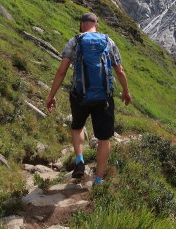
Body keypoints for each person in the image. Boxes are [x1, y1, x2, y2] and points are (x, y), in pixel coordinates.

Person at [45, 12, 131, 185]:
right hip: (104, 97)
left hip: (80, 95)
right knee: (104, 138)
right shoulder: (108, 42)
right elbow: (119, 71)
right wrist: (126, 91)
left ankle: (79, 161)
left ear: (82, 24)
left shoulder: (75, 41)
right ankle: (98, 179)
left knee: (77, 127)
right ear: (96, 25)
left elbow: (61, 71)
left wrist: (51, 95)